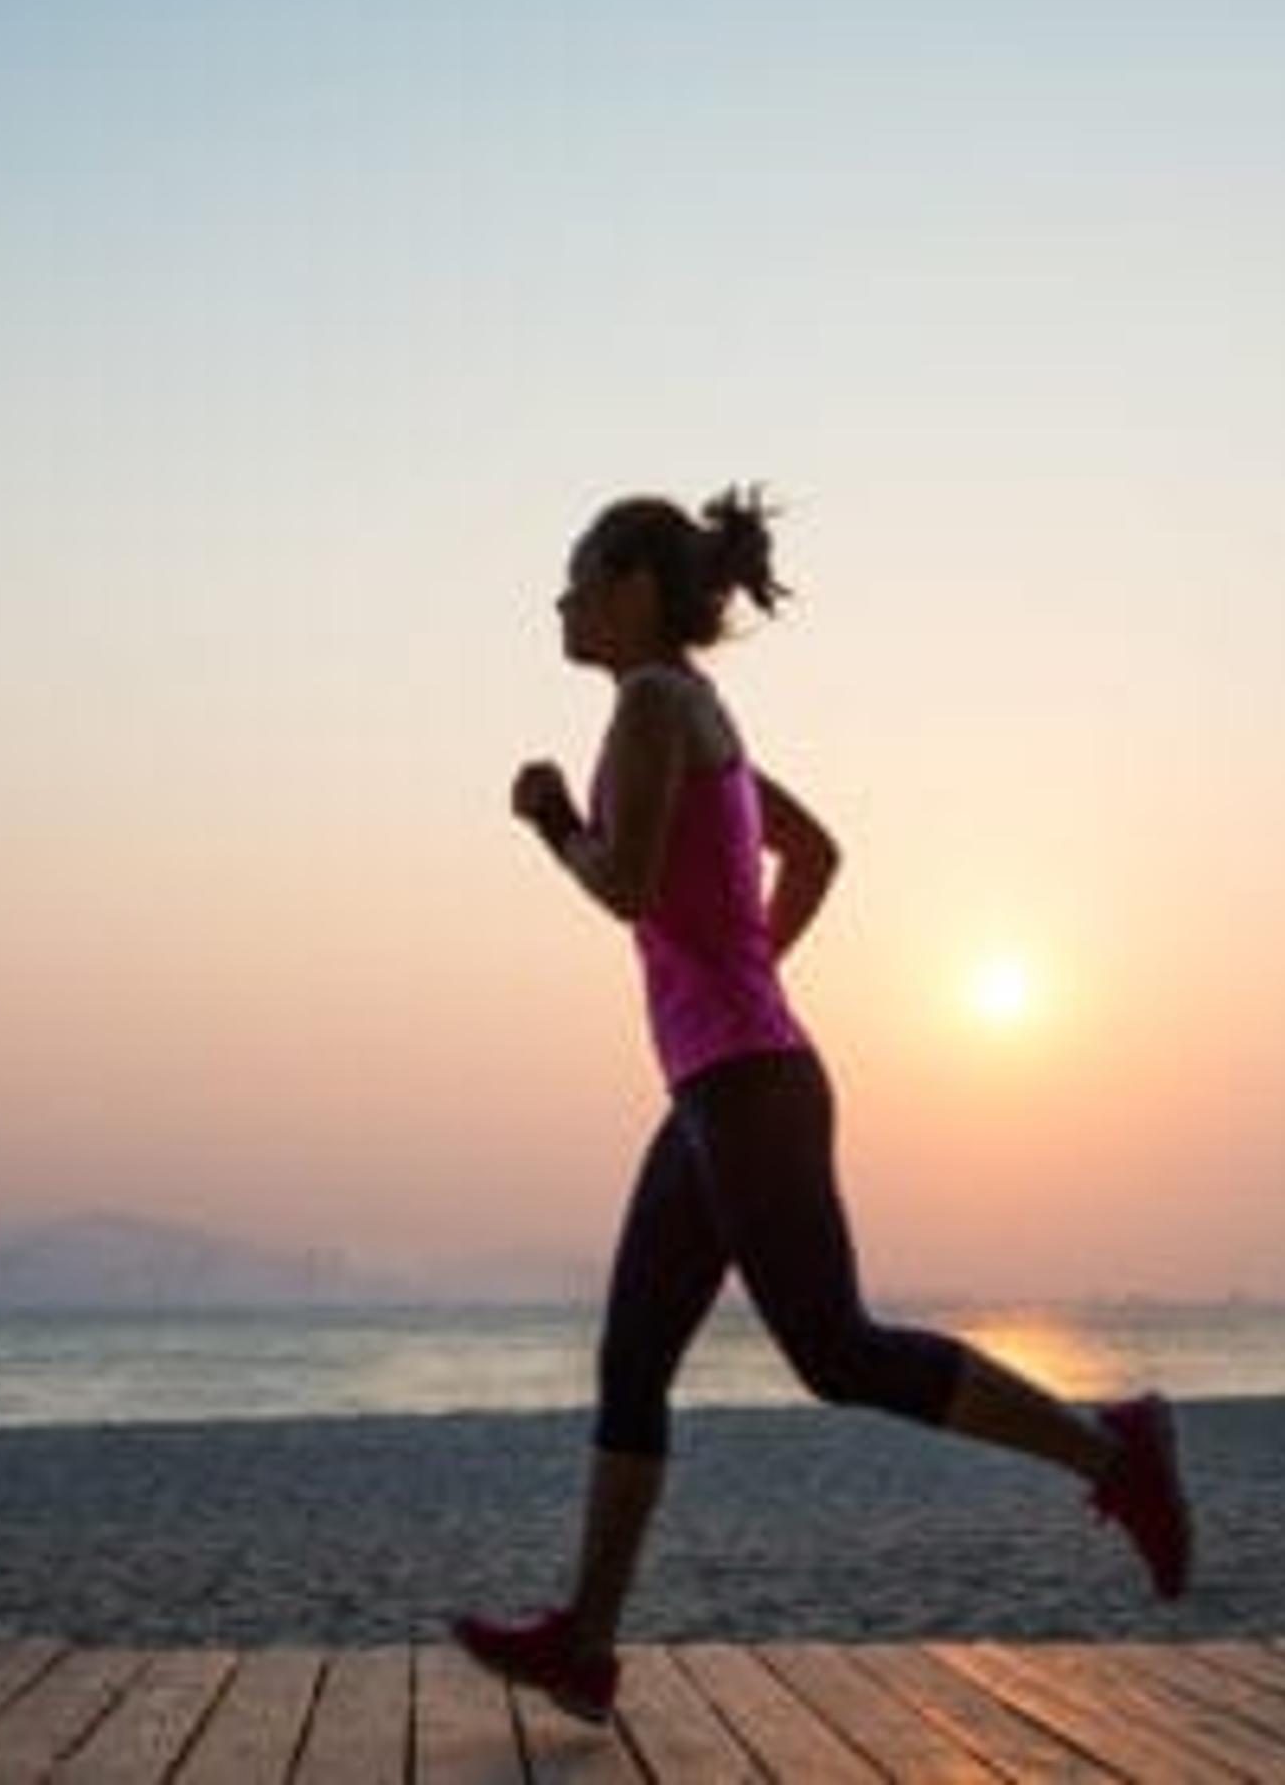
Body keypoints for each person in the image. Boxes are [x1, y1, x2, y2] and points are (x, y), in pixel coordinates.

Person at [448, 485, 1192, 1726]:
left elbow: (626, 886)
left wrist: (551, 825)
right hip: (723, 1087)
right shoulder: (706, 713)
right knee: (632, 1359)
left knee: (835, 1350)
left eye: (578, 576)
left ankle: (1120, 1454)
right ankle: (584, 1641)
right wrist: (745, 981)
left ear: (634, 586)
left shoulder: (646, 703)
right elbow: (818, 854)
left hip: (747, 1091)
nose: (562, 600)